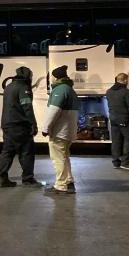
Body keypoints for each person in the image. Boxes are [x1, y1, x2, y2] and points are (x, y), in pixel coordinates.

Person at [0, 66, 39, 187]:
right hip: (20, 125)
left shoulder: (9, 87)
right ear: (27, 76)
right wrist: (33, 124)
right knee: (26, 152)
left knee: (7, 151)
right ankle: (28, 179)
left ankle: (2, 178)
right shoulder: (23, 88)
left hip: (7, 124)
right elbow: (27, 107)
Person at [43, 66, 79, 195]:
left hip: (60, 131)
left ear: (55, 77)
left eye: (51, 77)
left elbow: (54, 110)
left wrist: (46, 128)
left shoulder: (60, 89)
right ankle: (69, 182)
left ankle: (60, 185)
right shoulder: (70, 89)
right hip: (69, 131)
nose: (50, 79)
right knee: (65, 157)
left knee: (58, 158)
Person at [105, 73, 129, 171]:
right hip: (125, 119)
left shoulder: (109, 91)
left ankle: (116, 162)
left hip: (113, 119)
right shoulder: (126, 92)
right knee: (128, 140)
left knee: (116, 141)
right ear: (126, 80)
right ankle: (125, 162)